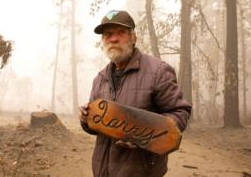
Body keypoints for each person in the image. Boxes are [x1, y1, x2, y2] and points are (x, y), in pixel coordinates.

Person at [79, 10, 192, 177]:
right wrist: (85, 119)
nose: (114, 39)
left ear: (133, 37)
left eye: (121, 33)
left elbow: (180, 113)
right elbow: (96, 126)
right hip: (102, 171)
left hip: (141, 171)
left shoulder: (158, 71)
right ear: (103, 40)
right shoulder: (100, 79)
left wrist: (145, 135)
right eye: (108, 34)